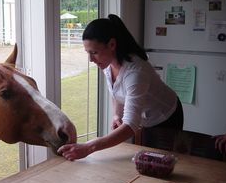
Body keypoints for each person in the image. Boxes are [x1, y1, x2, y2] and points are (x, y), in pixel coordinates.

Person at [58, 14, 184, 161]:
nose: (90, 60)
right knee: (144, 159)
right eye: (88, 53)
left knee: (162, 163)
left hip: (166, 117)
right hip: (145, 118)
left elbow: (130, 125)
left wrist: (88, 147)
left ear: (112, 44)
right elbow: (117, 92)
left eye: (94, 52)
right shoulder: (108, 64)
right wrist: (117, 114)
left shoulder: (136, 72)